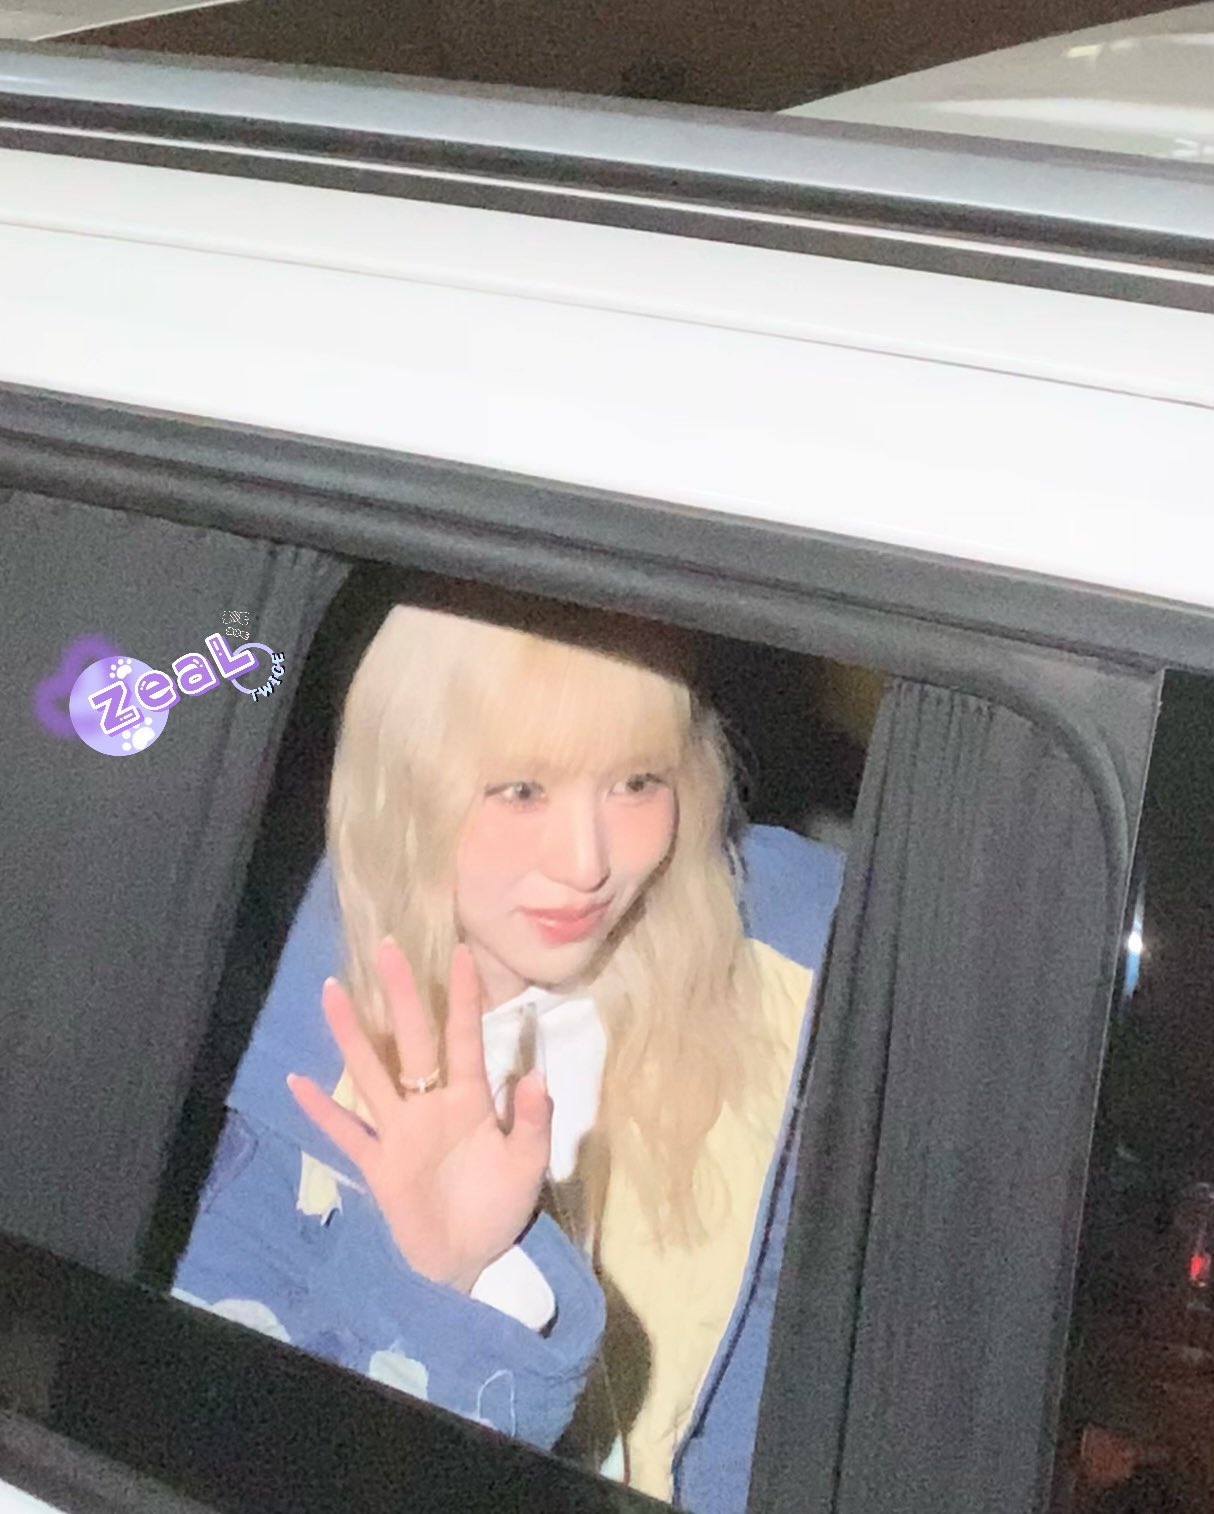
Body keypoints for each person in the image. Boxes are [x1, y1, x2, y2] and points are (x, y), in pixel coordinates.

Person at [172, 590, 844, 1511]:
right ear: (410, 779)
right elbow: (230, 1462)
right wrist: (442, 1283)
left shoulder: (793, 966)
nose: (585, 862)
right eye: (521, 790)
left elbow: (774, 1411)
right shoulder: (236, 1026)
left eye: (636, 782)